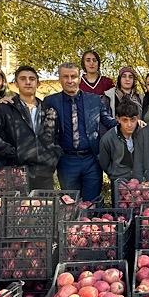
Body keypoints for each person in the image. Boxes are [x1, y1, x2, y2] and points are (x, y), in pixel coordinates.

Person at [0, 65, 63, 191]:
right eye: (23, 79)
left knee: (46, 209)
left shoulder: (49, 110)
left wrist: (53, 156)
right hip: (17, 174)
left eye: (32, 79)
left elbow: (56, 137)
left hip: (45, 175)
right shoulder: (5, 108)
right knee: (19, 209)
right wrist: (13, 153)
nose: (28, 82)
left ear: (38, 83)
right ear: (16, 83)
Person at [43, 63, 117, 199]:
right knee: (70, 205)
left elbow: (108, 121)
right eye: (65, 76)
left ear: (79, 79)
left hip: (92, 159)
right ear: (60, 78)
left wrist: (130, 125)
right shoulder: (50, 101)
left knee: (92, 203)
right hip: (66, 160)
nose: (70, 80)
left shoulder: (94, 99)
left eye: (73, 76)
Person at [99, 99, 141, 181]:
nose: (129, 124)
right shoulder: (108, 139)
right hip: (118, 181)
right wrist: (114, 173)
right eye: (125, 120)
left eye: (132, 119)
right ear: (118, 119)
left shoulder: (144, 135)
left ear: (138, 118)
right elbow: (104, 163)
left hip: (141, 181)